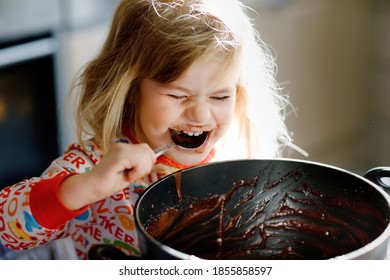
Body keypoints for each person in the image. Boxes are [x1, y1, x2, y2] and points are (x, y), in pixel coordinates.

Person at [0, 0, 292, 259]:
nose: (201, 114)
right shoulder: (96, 166)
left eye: (220, 96)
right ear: (131, 90)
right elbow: (5, 228)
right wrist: (85, 187)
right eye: (178, 96)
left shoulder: (238, 164)